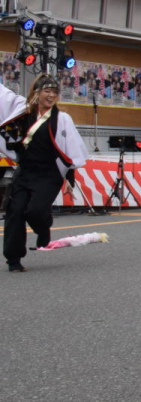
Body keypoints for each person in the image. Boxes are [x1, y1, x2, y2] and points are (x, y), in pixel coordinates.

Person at [0, 74, 90, 272]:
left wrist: (69, 178)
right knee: (15, 212)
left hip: (49, 174)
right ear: (36, 93)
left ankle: (43, 229)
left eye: (55, 92)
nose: (51, 95)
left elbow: (70, 150)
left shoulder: (62, 119)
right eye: (47, 91)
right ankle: (13, 259)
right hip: (25, 171)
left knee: (36, 211)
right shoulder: (22, 111)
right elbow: (3, 95)